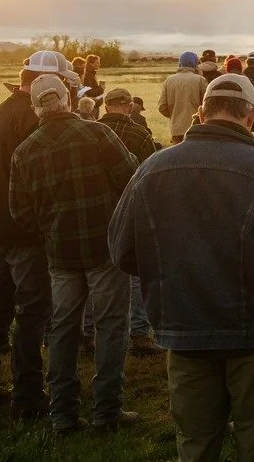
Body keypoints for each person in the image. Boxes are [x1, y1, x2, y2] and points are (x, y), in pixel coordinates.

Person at [108, 72, 254, 462]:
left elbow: (121, 250)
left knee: (195, 442)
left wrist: (171, 278)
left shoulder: (152, 169)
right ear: (250, 116)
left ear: (201, 112)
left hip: (185, 332)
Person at [8, 72, 140, 435]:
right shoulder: (97, 134)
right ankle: (107, 413)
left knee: (64, 330)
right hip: (104, 249)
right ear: (67, 99)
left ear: (36, 108)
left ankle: (63, 414)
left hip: (60, 255)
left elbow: (19, 212)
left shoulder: (25, 151)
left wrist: (50, 227)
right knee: (111, 327)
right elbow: (131, 179)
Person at [0, 49, 70, 417]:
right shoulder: (34, 119)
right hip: (26, 232)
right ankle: (27, 396)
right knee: (32, 311)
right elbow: (46, 180)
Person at [95, 86, 160, 353]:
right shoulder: (140, 133)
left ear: (107, 105)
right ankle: (139, 332)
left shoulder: (92, 131)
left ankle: (89, 332)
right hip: (130, 207)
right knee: (136, 271)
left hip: (98, 209)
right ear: (128, 105)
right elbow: (147, 172)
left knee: (97, 270)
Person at [158, 51, 208, 146]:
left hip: (176, 130)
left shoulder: (169, 80)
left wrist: (175, 115)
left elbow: (162, 107)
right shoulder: (200, 80)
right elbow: (207, 104)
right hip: (197, 129)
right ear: (195, 64)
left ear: (180, 64)